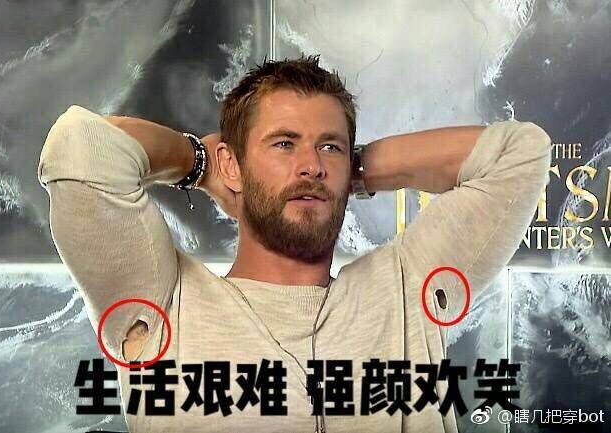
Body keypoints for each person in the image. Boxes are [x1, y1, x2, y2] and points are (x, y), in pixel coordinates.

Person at [37, 54, 551, 433]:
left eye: (329, 147)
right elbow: (79, 149)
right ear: (233, 165)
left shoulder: (404, 290)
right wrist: (200, 163)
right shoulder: (163, 306)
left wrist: (353, 170)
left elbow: (519, 154)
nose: (311, 165)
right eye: (284, 144)